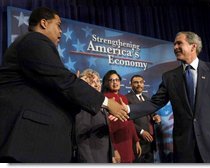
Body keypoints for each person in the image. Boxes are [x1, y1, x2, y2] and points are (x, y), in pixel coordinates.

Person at [0, 7, 128, 163]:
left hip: (40, 146)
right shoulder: (34, 40)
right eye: (58, 25)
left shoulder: (33, 45)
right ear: (44, 23)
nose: (60, 31)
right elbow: (63, 81)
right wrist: (107, 103)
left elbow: (58, 86)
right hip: (30, 143)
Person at [127, 31, 210, 163]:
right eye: (174, 44)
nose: (175, 47)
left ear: (193, 46)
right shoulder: (169, 77)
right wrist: (128, 109)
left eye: (179, 43)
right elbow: (155, 103)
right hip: (185, 147)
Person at [75, 69, 120, 163]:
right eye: (92, 82)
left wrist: (111, 154)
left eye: (97, 81)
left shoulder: (100, 104)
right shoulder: (84, 107)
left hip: (105, 158)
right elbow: (82, 140)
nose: (97, 85)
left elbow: (107, 133)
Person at [102, 70, 142, 163]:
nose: (115, 82)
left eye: (117, 80)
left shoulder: (123, 98)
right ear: (106, 83)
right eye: (111, 80)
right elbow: (107, 126)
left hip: (127, 140)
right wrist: (114, 150)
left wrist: (136, 140)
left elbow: (129, 120)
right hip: (115, 141)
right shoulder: (105, 99)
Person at [125, 75, 161, 163]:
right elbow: (126, 120)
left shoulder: (147, 98)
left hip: (150, 142)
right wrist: (141, 131)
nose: (139, 85)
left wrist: (156, 117)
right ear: (131, 85)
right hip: (138, 142)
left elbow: (151, 114)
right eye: (136, 82)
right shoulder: (126, 98)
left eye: (141, 82)